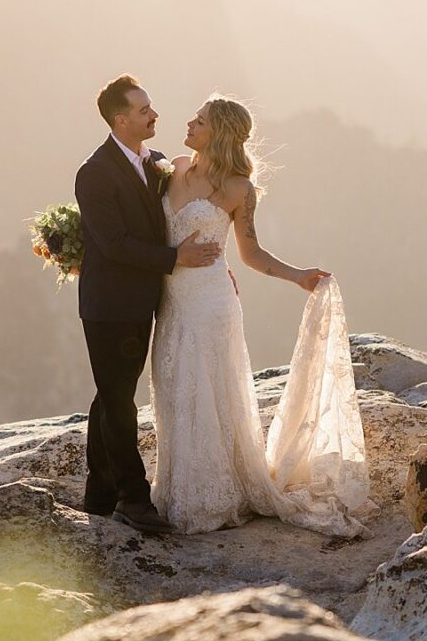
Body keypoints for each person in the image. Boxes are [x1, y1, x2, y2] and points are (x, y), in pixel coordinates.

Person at [149, 95, 374, 536]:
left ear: (221, 132)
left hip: (211, 304)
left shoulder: (238, 189)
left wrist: (299, 276)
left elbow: (250, 254)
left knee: (208, 389)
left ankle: (211, 495)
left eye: (200, 120)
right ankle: (175, 487)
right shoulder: (171, 169)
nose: (189, 123)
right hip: (172, 300)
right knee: (173, 386)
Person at [74, 75, 221, 534]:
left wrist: (212, 264)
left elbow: (168, 221)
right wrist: (177, 259)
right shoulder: (94, 173)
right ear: (121, 120)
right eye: (143, 111)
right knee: (120, 400)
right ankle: (133, 500)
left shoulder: (156, 162)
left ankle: (98, 495)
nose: (154, 115)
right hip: (109, 306)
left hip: (146, 300)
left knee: (111, 394)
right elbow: (115, 243)